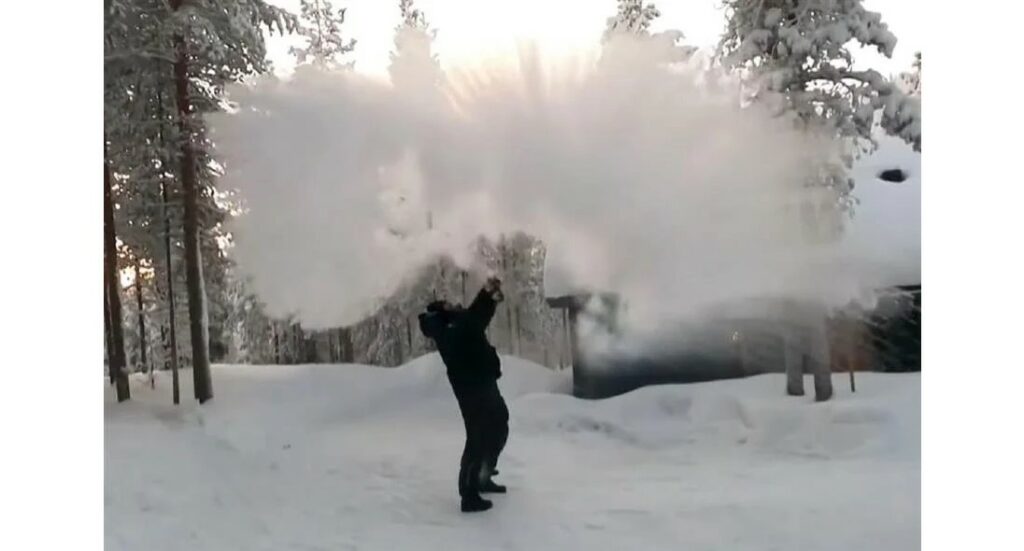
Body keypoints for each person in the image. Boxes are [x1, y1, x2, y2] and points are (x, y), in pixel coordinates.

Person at [418, 277, 510, 513]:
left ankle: (483, 476)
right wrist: (486, 295)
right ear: (441, 313)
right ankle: (468, 493)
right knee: (478, 436)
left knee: (499, 424)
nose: (454, 305)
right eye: (447, 305)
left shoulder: (458, 324)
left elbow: (474, 319)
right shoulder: (447, 329)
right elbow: (472, 321)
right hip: (472, 389)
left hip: (485, 382)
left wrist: (488, 295)